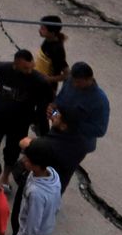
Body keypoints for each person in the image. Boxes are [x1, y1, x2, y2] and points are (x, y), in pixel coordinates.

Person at [35, 62, 109, 191]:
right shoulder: (70, 81)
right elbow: (60, 100)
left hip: (77, 143)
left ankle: (53, 198)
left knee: (61, 173)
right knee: (44, 159)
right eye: (74, 81)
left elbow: (100, 130)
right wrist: (53, 109)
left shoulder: (100, 101)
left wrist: (69, 125)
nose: (75, 85)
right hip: (57, 132)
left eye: (79, 82)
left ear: (89, 79)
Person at [0, 48, 52, 180]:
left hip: (20, 124)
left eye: (31, 67)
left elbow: (50, 101)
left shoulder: (39, 80)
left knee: (12, 152)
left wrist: (44, 117)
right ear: (16, 64)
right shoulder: (4, 68)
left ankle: (5, 177)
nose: (29, 71)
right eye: (25, 68)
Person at [34, 15, 70, 84]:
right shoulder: (48, 40)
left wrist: (49, 79)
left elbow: (67, 74)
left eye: (43, 28)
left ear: (52, 32)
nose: (39, 30)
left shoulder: (57, 50)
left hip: (46, 87)